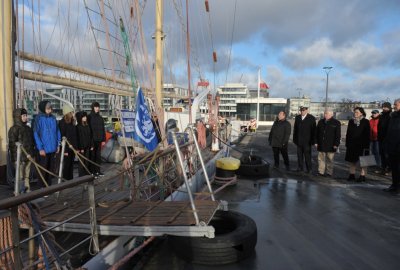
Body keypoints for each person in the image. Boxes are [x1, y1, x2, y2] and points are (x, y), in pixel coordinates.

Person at [33, 101, 61, 187]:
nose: (50, 110)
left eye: (50, 108)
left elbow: (57, 131)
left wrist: (58, 144)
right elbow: (36, 134)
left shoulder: (53, 118)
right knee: (43, 169)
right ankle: (42, 187)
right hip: (43, 149)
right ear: (43, 109)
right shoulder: (38, 118)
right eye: (48, 108)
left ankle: (48, 186)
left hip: (52, 148)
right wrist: (40, 148)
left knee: (50, 168)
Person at [8, 108, 35, 192]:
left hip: (28, 156)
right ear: (18, 116)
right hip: (19, 157)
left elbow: (31, 142)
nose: (25, 117)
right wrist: (15, 159)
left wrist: (32, 154)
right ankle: (19, 191)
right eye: (23, 115)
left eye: (26, 115)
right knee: (20, 176)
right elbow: (12, 145)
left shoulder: (28, 128)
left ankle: (27, 190)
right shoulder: (14, 129)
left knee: (27, 175)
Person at [345, 107, 370, 182]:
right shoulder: (351, 121)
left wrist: (367, 145)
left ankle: (362, 176)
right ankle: (352, 175)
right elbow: (348, 133)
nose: (355, 113)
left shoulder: (366, 121)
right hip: (352, 144)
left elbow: (367, 134)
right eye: (355, 112)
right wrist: (347, 143)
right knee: (352, 160)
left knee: (364, 161)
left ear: (361, 113)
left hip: (362, 144)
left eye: (357, 112)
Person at [315, 109, 341, 177]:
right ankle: (321, 171)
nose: (325, 115)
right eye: (325, 113)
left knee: (330, 159)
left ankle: (329, 172)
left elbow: (338, 135)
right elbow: (316, 133)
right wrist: (316, 142)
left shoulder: (336, 122)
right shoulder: (321, 122)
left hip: (331, 145)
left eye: (326, 113)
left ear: (331, 115)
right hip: (321, 144)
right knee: (321, 159)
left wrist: (336, 144)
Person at [383, 99, 400, 193]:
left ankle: (398, 187)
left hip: (398, 146)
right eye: (394, 104)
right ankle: (394, 185)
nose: (394, 106)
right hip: (392, 146)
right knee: (394, 168)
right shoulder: (393, 116)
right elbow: (389, 131)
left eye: (396, 104)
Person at [293, 106, 316, 173]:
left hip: (307, 141)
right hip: (299, 141)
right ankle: (300, 167)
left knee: (307, 156)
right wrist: (295, 139)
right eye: (301, 110)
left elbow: (314, 130)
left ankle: (309, 169)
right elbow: (295, 129)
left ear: (307, 110)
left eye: (303, 110)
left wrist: (313, 141)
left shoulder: (311, 118)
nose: (302, 112)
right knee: (299, 155)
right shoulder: (297, 118)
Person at [59, 104, 78, 180]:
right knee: (66, 165)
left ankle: (70, 179)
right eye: (71, 112)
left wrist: (76, 148)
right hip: (66, 148)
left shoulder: (72, 122)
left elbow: (74, 136)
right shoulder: (62, 123)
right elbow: (62, 137)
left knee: (71, 164)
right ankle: (66, 179)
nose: (73, 114)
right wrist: (64, 150)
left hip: (72, 147)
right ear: (67, 113)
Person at [88, 102, 106, 176]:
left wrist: (103, 139)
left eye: (98, 107)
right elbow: (88, 130)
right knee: (92, 156)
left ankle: (98, 171)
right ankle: (92, 171)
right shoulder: (89, 117)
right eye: (95, 107)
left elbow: (103, 129)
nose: (97, 108)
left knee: (98, 156)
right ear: (93, 108)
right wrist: (90, 140)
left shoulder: (100, 118)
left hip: (99, 139)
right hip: (92, 140)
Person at [76, 111, 93, 176]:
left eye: (85, 116)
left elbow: (90, 136)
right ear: (80, 118)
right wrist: (81, 148)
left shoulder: (87, 126)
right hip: (82, 147)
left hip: (88, 146)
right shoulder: (78, 127)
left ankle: (86, 173)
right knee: (81, 162)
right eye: (83, 117)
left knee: (87, 161)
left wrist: (91, 145)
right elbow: (79, 138)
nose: (85, 118)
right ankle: (81, 175)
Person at [377, 102, 392, 175]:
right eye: (382, 107)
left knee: (387, 155)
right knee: (382, 154)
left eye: (385, 107)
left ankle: (389, 169)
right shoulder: (382, 115)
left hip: (388, 139)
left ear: (388, 108)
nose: (383, 108)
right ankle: (383, 169)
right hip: (380, 138)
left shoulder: (391, 115)